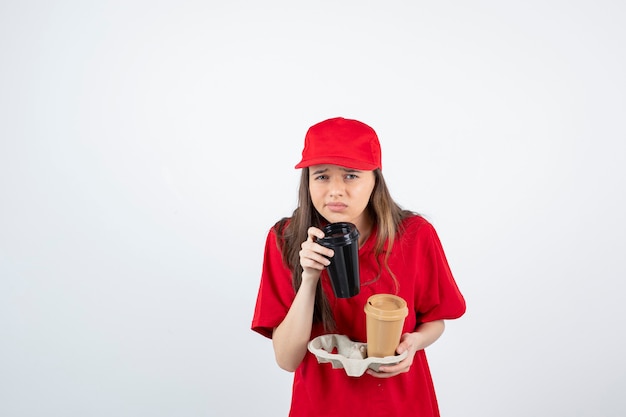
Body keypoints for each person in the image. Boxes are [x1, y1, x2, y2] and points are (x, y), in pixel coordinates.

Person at [251, 117, 466, 417]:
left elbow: (435, 319)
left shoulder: (415, 235)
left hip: (401, 404)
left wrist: (414, 343)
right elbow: (287, 359)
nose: (335, 191)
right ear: (308, 181)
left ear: (375, 179)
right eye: (322, 176)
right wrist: (310, 277)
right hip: (322, 407)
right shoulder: (285, 239)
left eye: (351, 176)